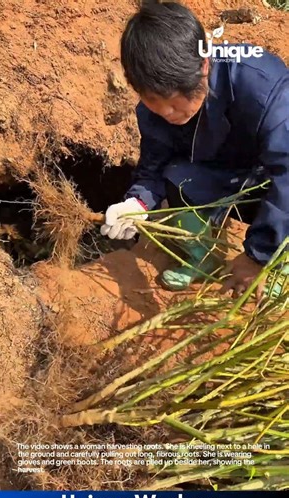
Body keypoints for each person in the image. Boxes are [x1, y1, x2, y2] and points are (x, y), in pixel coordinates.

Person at [100, 1, 289, 297]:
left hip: (269, 178)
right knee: (177, 177)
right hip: (227, 174)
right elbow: (155, 164)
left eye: (175, 100)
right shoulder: (154, 110)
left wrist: (257, 255)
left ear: (203, 67)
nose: (167, 112)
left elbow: (287, 175)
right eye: (152, 99)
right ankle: (205, 260)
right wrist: (137, 203)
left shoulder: (262, 86)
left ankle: (279, 265)